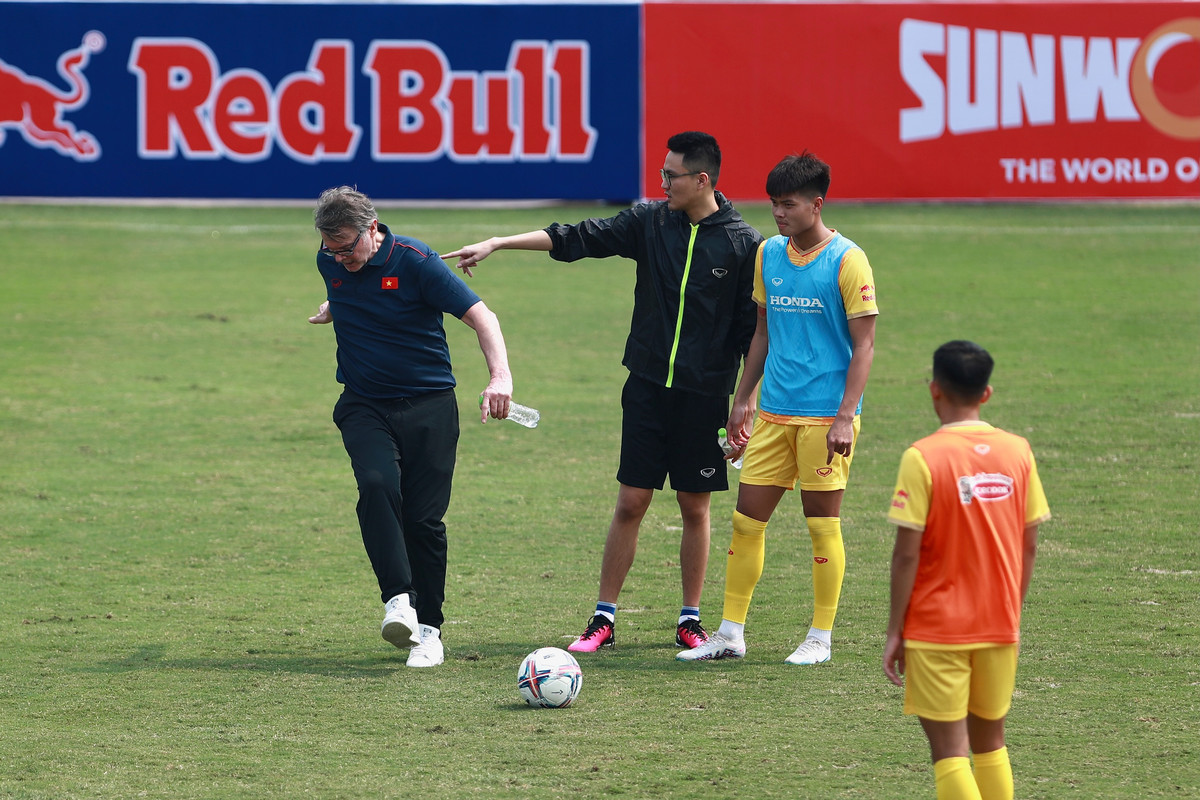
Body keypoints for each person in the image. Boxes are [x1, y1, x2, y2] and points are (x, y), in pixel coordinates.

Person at [442, 131, 761, 653]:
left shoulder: (744, 244)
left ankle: (690, 619)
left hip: (706, 396)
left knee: (694, 505)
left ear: (702, 179)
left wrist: (744, 401)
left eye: (671, 176)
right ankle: (603, 619)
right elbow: (575, 237)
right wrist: (500, 242)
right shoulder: (649, 221)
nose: (662, 183)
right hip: (645, 387)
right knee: (632, 500)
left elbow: (752, 334)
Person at [678, 151, 877, 665]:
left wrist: (843, 416)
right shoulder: (769, 254)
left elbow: (865, 346)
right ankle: (729, 633)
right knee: (746, 522)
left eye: (788, 204)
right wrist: (742, 400)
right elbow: (762, 333)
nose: (778, 214)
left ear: (817, 203)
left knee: (820, 525)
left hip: (824, 417)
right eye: (773, 204)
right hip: (774, 413)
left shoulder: (848, 259)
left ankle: (820, 637)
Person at [307, 186, 515, 668]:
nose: (337, 259)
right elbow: (353, 292)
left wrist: (499, 377)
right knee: (377, 485)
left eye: (345, 248)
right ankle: (398, 599)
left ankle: (429, 631)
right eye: (328, 249)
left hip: (429, 406)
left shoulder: (418, 262)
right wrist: (335, 308)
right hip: (364, 404)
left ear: (373, 230)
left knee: (424, 521)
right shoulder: (332, 262)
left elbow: (484, 318)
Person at [883, 341, 1049, 800]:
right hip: (999, 623)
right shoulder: (1019, 452)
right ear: (987, 394)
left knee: (951, 753)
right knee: (991, 743)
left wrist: (896, 629)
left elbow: (906, 555)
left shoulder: (923, 457)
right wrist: (1010, 609)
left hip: (937, 628)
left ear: (934, 390)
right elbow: (1029, 542)